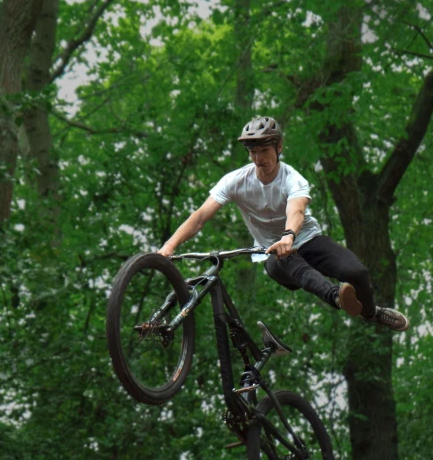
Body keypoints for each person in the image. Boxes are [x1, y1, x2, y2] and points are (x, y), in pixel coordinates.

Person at [158, 116, 409, 331]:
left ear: (279, 147)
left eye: (264, 151)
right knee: (283, 257)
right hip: (274, 257)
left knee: (358, 273)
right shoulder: (235, 181)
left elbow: (296, 210)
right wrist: (169, 247)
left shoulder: (293, 179)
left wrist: (289, 235)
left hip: (307, 241)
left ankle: (371, 313)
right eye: (253, 152)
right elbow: (201, 216)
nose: (258, 159)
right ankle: (336, 297)